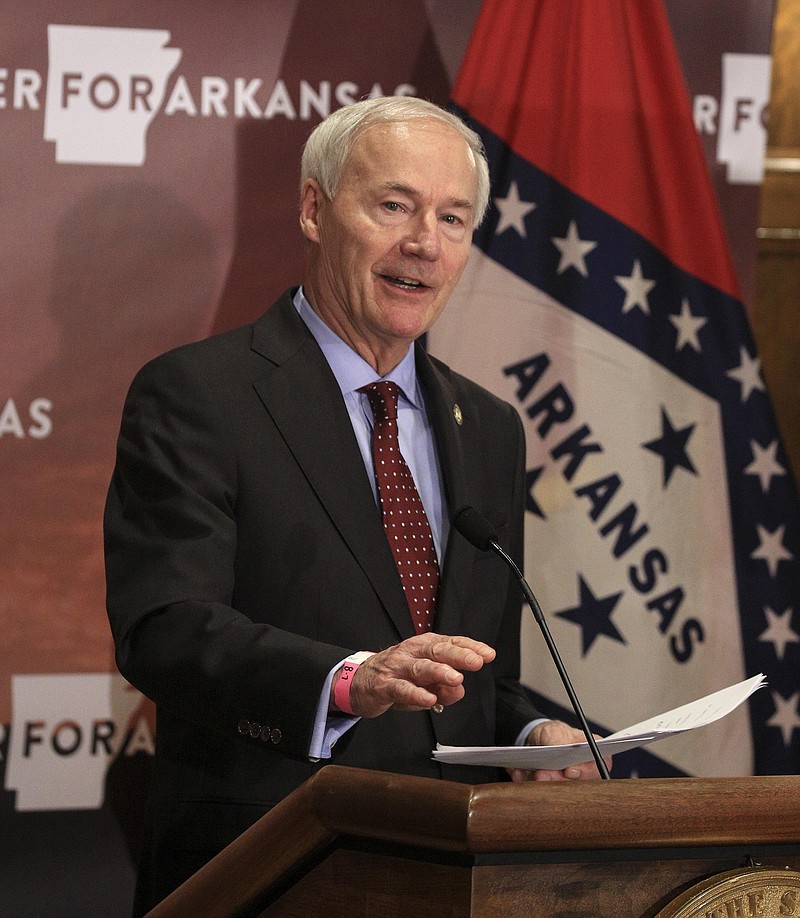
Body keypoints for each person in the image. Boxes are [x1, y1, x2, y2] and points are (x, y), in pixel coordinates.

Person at [104, 96, 607, 915]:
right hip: (271, 867)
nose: (424, 244)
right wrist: (345, 682)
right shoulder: (200, 395)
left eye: (452, 218)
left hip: (457, 874)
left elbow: (477, 672)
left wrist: (528, 736)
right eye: (394, 206)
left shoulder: (488, 427)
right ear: (313, 208)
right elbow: (163, 627)